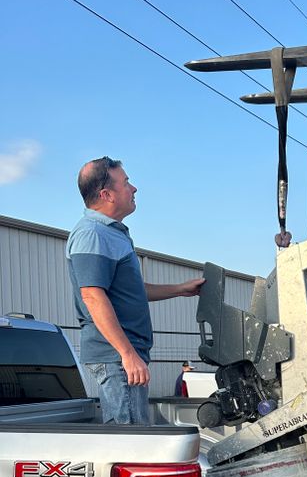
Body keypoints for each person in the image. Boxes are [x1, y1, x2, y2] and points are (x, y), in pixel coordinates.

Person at [66, 157, 204, 424]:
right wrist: (127, 354)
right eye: (126, 182)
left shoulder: (113, 233)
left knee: (133, 432)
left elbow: (130, 291)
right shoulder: (92, 233)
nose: (134, 188)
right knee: (130, 439)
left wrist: (180, 289)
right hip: (117, 356)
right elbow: (93, 296)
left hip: (124, 355)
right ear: (107, 194)